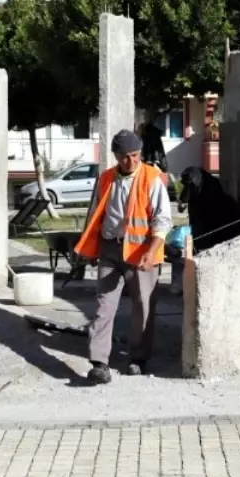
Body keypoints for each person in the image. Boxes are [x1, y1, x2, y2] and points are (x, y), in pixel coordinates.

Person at [74, 129, 174, 384]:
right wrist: (91, 249)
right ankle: (99, 363)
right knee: (104, 305)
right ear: (116, 156)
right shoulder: (106, 178)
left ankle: (138, 358)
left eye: (135, 155)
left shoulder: (152, 179)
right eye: (124, 156)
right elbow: (96, 215)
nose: (130, 161)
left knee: (143, 305)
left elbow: (163, 220)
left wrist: (151, 253)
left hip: (142, 250)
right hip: (110, 249)